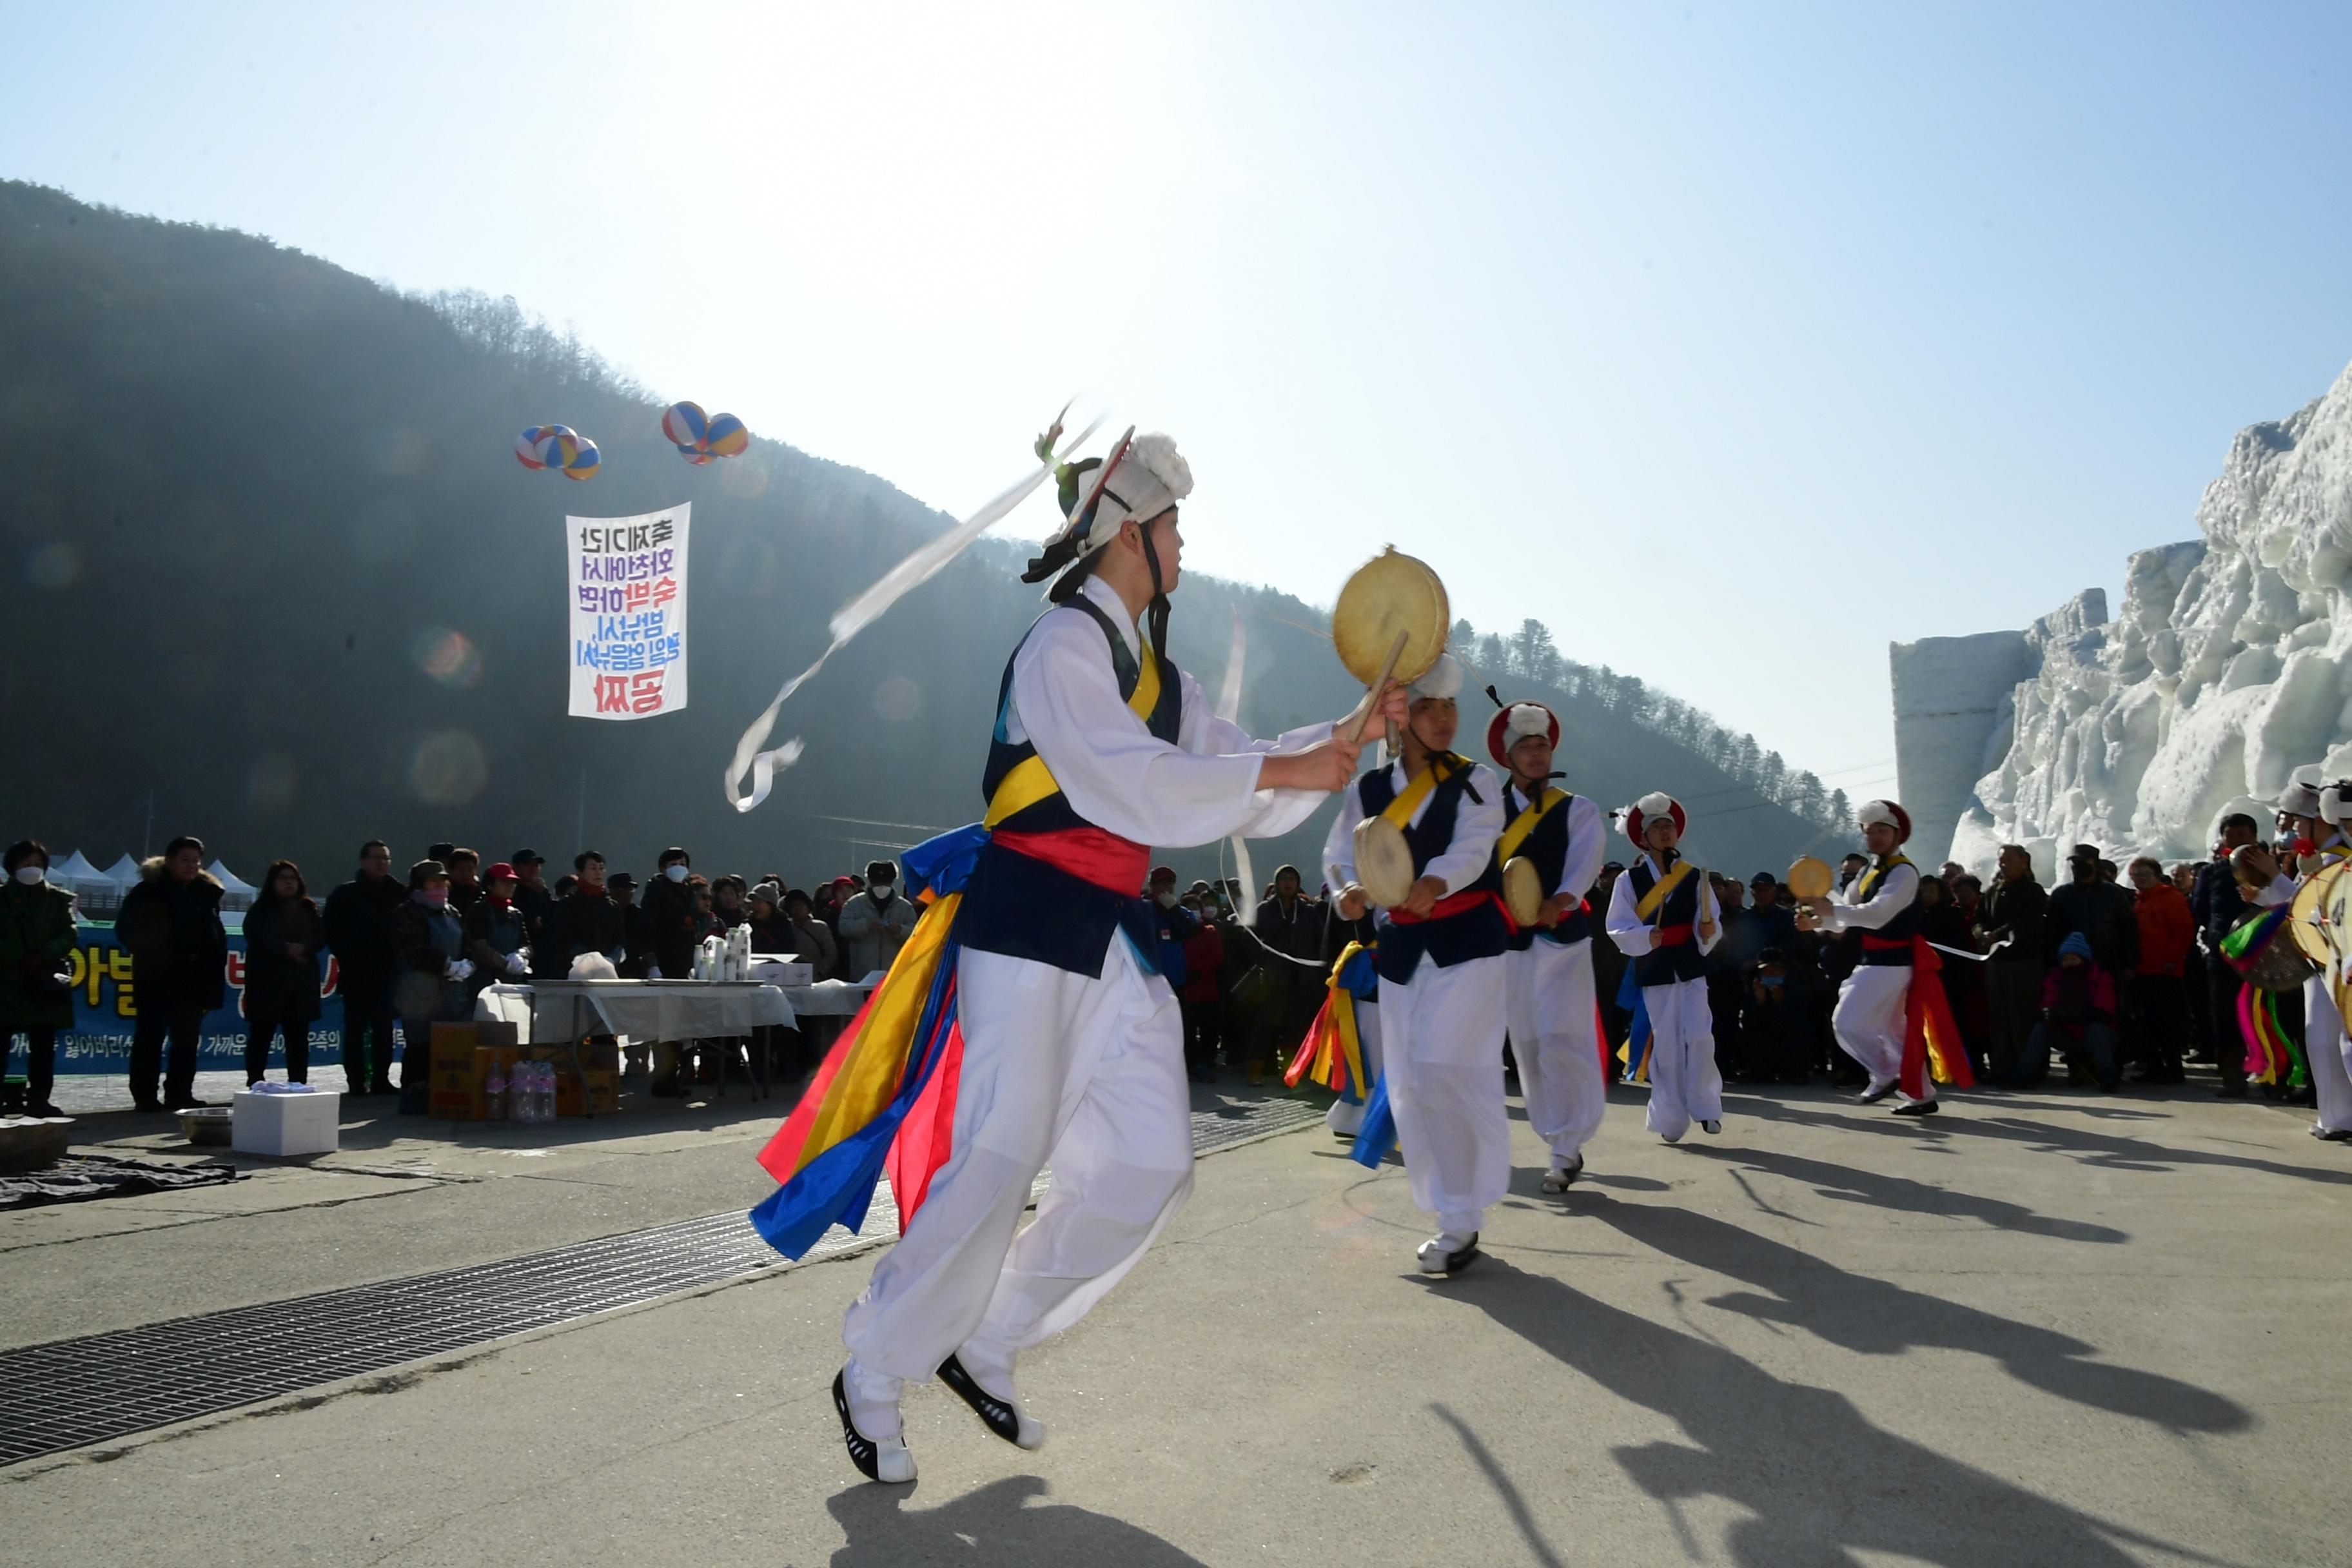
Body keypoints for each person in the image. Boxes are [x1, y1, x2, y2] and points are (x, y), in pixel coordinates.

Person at [761, 427, 1386, 1483]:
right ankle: (872, 1363)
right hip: (1025, 926)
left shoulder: (1161, 677)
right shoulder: (1059, 649)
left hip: (1108, 940)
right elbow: (1128, 782)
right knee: (999, 1159)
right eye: (1173, 525)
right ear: (1128, 538)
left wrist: (1346, 736)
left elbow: (1233, 769)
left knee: (1147, 1159)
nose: (1183, 545)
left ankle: (989, 1328)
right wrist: (1294, 761)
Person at [1327, 652, 1509, 1273]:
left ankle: (1462, 1216)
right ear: (1402, 720)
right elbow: (1341, 854)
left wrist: (1434, 882)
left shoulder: (1476, 781)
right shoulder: (1371, 790)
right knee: (1409, 1082)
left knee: (1448, 1072)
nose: (1442, 718)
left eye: (1449, 706)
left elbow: (1475, 846)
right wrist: (1345, 891)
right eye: (1427, 707)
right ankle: (1451, 1210)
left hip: (1469, 952)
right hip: (1402, 955)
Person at [1484, 697, 1605, 1192]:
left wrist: (1560, 898)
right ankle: (1554, 1135)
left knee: (1562, 1037)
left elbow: (1584, 865)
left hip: (1562, 942)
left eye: (1543, 746)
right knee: (1529, 1046)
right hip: (1510, 945)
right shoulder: (1487, 812)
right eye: (1527, 747)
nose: (1537, 755)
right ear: (1509, 757)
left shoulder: (1579, 810)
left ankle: (1568, 1145)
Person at [1799, 800, 1962, 1117]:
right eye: (1870, 831)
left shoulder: (1904, 872)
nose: (1875, 837)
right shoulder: (1868, 871)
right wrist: (1816, 918)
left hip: (1893, 961)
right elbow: (1845, 918)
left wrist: (1828, 910)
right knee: (1892, 1029)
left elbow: (1877, 915)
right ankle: (1921, 1095)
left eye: (1882, 831)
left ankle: (1886, 1073)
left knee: (1846, 1022)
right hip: (1876, 959)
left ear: (1898, 835)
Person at [1605, 793, 1724, 1141]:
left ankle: (1707, 1107)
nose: (1665, 831)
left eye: (1669, 825)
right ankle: (1670, 1118)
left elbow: (1711, 920)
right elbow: (1616, 926)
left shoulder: (1695, 877)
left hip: (1690, 964)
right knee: (1668, 1044)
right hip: (1656, 968)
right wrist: (1644, 936)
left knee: (1700, 1036)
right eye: (1657, 826)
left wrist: (1708, 932)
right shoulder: (1628, 880)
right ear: (1643, 838)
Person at [115, 835, 228, 1112]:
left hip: (194, 976)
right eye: (185, 860)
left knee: (187, 1041)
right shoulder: (148, 891)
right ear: (169, 861)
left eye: (195, 861)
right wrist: (158, 950)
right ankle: (145, 1096)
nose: (191, 866)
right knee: (150, 1038)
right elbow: (127, 930)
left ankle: (180, 1094)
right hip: (156, 975)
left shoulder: (205, 893)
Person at [0, 839, 76, 1116]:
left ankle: (39, 1098)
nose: (31, 869)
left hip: (44, 980)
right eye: (25, 864)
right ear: (12, 867)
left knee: (44, 1047)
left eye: (37, 864)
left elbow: (69, 934)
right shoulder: (2, 899)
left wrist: (44, 954)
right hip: (6, 981)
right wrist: (18, 956)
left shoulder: (58, 900)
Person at [323, 841, 404, 1095]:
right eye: (376, 857)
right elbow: (330, 932)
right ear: (363, 861)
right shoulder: (345, 894)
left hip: (387, 974)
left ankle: (381, 1078)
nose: (382, 862)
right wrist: (350, 957)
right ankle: (356, 1081)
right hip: (356, 973)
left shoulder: (398, 893)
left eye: (386, 858)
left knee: (384, 1029)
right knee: (356, 1029)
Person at [391, 859, 469, 1114]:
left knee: (446, 1044)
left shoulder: (452, 912)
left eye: (442, 881)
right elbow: (413, 949)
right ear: (419, 884)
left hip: (451, 990)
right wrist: (445, 964)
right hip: (419, 991)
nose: (440, 886)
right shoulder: (408, 911)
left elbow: (466, 941)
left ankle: (442, 1094)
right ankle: (414, 1094)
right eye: (433, 881)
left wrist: (467, 963)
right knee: (419, 1044)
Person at [2191, 813, 2260, 1098]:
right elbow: (2199, 911)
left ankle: (2277, 1078)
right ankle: (2232, 1077)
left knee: (2264, 1017)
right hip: (2223, 956)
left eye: (2242, 835)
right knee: (2226, 1019)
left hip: (2262, 954)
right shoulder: (2213, 872)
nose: (2235, 840)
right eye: (2230, 835)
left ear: (2254, 837)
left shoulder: (2269, 869)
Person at [240, 860, 323, 1086]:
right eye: (283, 878)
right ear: (272, 882)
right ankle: (255, 1081)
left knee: (298, 1038)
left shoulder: (308, 909)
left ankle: (298, 1083)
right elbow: (256, 937)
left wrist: (304, 948)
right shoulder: (260, 910)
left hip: (300, 985)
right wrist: (286, 950)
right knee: (261, 1036)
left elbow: (321, 937)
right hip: (268, 983)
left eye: (292, 878)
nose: (288, 883)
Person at [1246, 864, 1325, 1084]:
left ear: (1298, 884)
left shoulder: (1309, 911)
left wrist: (1316, 969)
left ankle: (1291, 1072)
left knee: (1296, 1026)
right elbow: (1251, 940)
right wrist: (1264, 962)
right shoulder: (1264, 910)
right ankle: (1254, 1072)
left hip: (1302, 978)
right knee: (1266, 1024)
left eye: (1292, 879)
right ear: (1277, 883)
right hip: (1274, 977)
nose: (1288, 883)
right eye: (1284, 879)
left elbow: (1321, 942)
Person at [1978, 844, 2049, 1084]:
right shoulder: (1992, 892)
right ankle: (2001, 1066)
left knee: (2023, 1015)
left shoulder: (2033, 891)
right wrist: (1981, 933)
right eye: (2001, 860)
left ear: (2024, 862)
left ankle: (2029, 1068)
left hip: (2024, 961)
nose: (2003, 864)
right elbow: (1979, 918)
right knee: (1998, 1016)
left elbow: (2026, 921)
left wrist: (1997, 934)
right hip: (1996, 961)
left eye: (2009, 860)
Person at [2019, 932, 2120, 1090]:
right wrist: (2049, 1013)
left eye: (2074, 959)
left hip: (2096, 1032)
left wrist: (2072, 1015)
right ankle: (2024, 1071)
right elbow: (2047, 1004)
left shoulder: (2099, 976)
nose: (2069, 963)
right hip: (2067, 1032)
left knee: (2095, 1030)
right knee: (2042, 1029)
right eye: (2065, 960)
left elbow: (2104, 1010)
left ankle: (2108, 1074)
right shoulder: (2055, 978)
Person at [2126, 856, 2191, 1084]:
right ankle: (2153, 1067)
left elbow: (2182, 931)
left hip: (2164, 971)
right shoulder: (2137, 901)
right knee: (2147, 1023)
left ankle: (2173, 1069)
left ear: (2156, 875)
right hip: (2142, 970)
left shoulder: (2170, 899)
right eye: (2136, 876)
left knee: (2166, 1023)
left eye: (2145, 875)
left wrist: (2171, 960)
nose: (2140, 880)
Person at [462, 861, 533, 1002]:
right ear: (490, 885)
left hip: (512, 983)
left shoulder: (516, 914)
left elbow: (527, 944)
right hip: (484, 984)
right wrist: (505, 964)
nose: (510, 886)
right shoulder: (479, 910)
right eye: (504, 882)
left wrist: (521, 955)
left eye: (513, 882)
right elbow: (479, 945)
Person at [838, 860, 920, 980]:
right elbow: (844, 928)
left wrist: (900, 930)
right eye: (877, 882)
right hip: (862, 974)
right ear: (870, 881)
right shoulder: (854, 904)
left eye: (886, 882)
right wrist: (866, 925)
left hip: (893, 973)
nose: (881, 887)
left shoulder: (905, 907)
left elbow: (916, 934)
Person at [1177, 892, 1225, 1083]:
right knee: (1188, 1032)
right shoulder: (1178, 932)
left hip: (1207, 989)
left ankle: (1207, 1063)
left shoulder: (1210, 931)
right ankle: (1194, 1066)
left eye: (1196, 908)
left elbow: (1217, 955)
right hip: (1187, 990)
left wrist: (1199, 971)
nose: (1192, 912)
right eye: (1188, 908)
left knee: (1209, 1032)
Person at [643, 847, 700, 979]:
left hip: (685, 959)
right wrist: (652, 965)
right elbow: (647, 930)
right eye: (673, 865)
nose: (679, 868)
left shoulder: (690, 892)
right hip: (663, 957)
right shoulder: (654, 893)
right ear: (663, 869)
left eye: (682, 864)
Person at [513, 850, 560, 979]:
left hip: (544, 956)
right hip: (520, 958)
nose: (533, 869)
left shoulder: (542, 891)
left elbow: (550, 919)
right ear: (516, 867)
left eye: (536, 865)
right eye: (528, 865)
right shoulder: (513, 891)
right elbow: (532, 922)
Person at [784, 888, 842, 977]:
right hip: (790, 976)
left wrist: (821, 971)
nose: (798, 908)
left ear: (808, 906)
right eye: (794, 905)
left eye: (801, 904)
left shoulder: (820, 927)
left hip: (817, 978)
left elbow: (831, 954)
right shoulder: (786, 929)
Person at [610, 870, 653, 978]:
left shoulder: (638, 914)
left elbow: (648, 943)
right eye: (622, 889)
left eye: (631, 889)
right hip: (607, 968)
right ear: (612, 891)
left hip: (635, 969)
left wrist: (653, 967)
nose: (628, 893)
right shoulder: (605, 912)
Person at [444, 848, 484, 914]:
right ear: (450, 870)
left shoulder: (481, 895)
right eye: (461, 869)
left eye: (470, 869)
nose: (466, 873)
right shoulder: (443, 895)